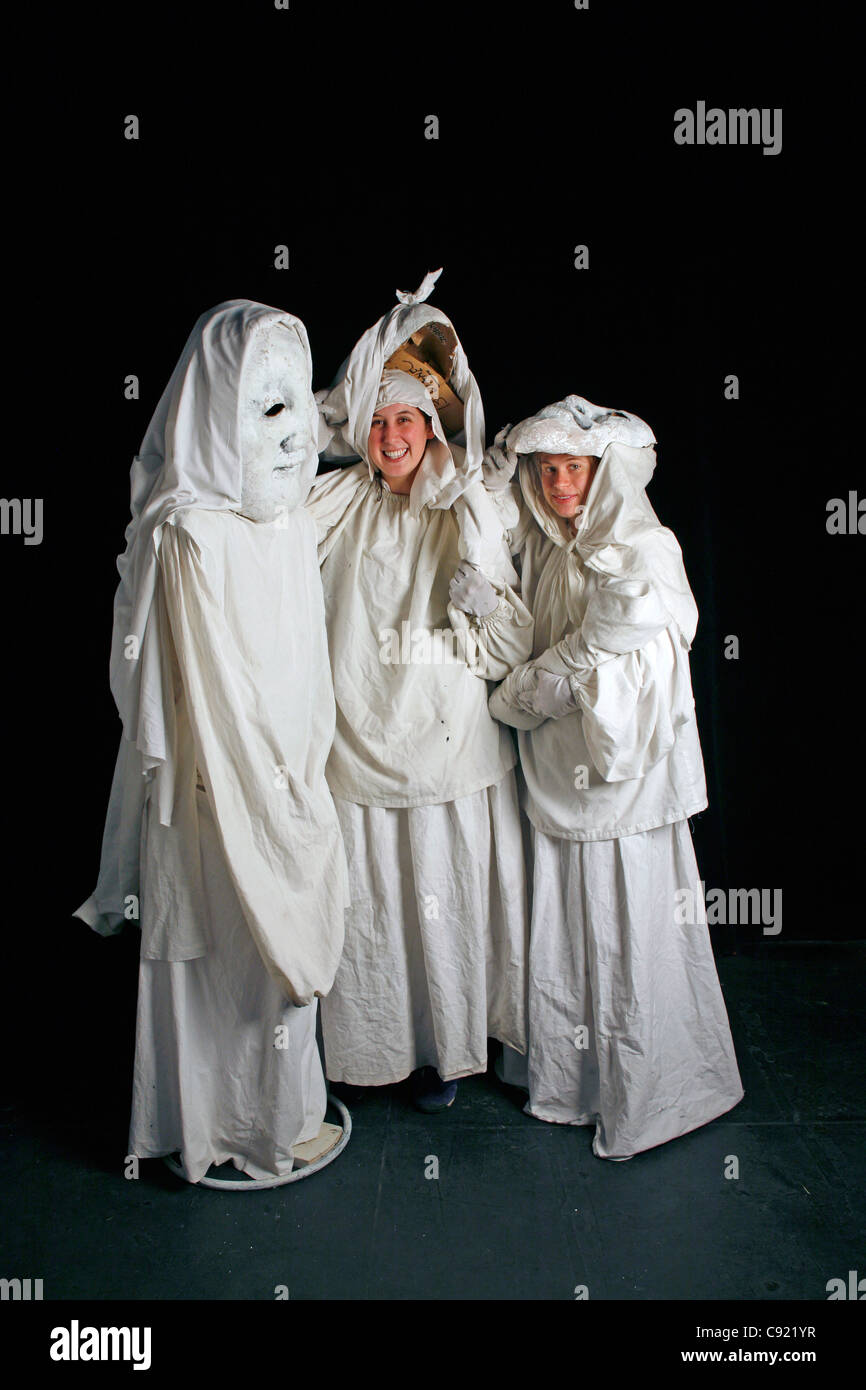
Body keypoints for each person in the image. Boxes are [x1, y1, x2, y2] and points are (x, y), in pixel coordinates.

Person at [74, 300, 349, 1182]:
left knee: (269, 964)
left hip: (290, 781)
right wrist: (265, 798)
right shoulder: (190, 536)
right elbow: (195, 695)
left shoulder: (292, 521)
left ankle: (280, 1112)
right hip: (211, 797)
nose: (292, 433)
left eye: (295, 406)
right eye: (265, 409)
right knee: (220, 947)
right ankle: (212, 1124)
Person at [484, 394, 744, 1159]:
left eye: (577, 469)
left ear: (606, 473)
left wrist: (535, 689)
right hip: (558, 773)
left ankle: (653, 1090)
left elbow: (638, 670)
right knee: (568, 921)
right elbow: (544, 646)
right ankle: (571, 1081)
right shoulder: (548, 547)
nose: (563, 484)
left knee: (634, 926)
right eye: (550, 470)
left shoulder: (645, 547)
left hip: (624, 783)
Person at [306, 270, 533, 1112]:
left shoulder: (466, 508)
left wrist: (480, 593)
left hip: (444, 747)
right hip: (357, 745)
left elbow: (509, 637)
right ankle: (371, 1052)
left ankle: (446, 1054)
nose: (393, 434)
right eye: (379, 421)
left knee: (443, 904)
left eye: (406, 418)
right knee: (370, 908)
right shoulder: (333, 505)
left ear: (431, 427)